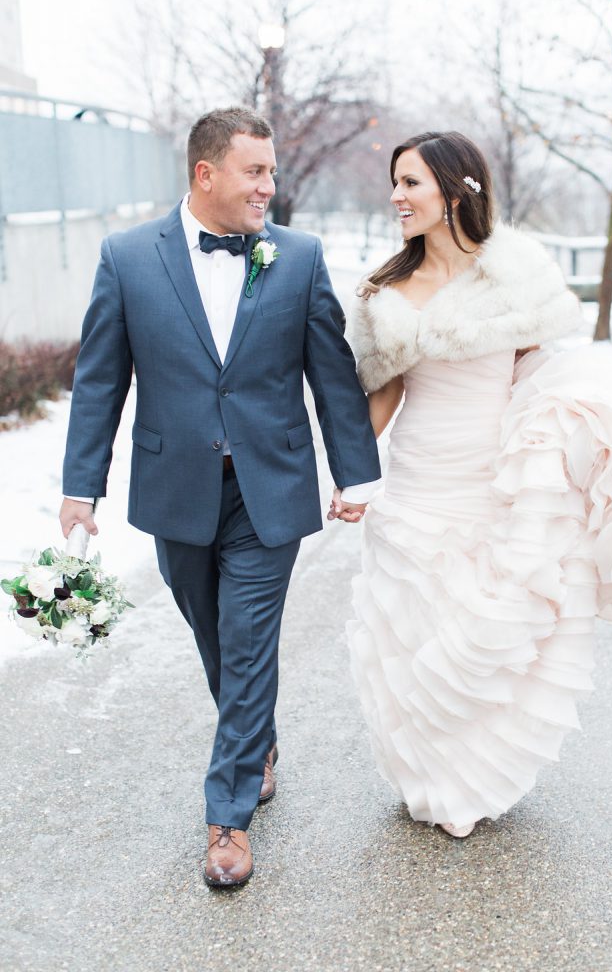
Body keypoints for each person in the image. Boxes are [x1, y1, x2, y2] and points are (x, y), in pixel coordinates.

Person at [60, 107, 381, 887]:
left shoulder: (297, 258)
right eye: (255, 172)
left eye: (270, 171)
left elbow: (331, 375)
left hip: (270, 488)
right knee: (213, 635)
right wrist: (80, 486)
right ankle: (256, 741)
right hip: (177, 488)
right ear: (206, 174)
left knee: (246, 642)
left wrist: (356, 469)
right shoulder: (128, 257)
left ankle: (227, 818)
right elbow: (102, 378)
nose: (268, 187)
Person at [344, 131, 612, 838]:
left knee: (485, 630)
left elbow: (538, 372)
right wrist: (349, 477)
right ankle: (429, 777)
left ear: (453, 188)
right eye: (395, 183)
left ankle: (471, 780)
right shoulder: (385, 293)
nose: (396, 197)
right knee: (413, 632)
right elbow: (377, 401)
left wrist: (563, 447)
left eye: (409, 183)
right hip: (417, 483)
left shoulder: (515, 277)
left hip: (490, 480)